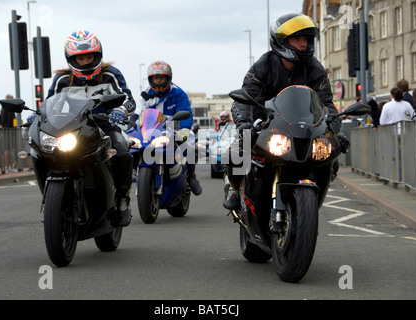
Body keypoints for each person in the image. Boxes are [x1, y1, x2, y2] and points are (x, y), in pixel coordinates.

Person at [223, 13, 341, 210]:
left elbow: (326, 104)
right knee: (235, 152)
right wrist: (245, 123)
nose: (303, 44)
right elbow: (245, 97)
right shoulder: (263, 66)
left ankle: (309, 201)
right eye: (297, 39)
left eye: (305, 39)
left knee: (330, 158)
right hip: (266, 126)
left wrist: (334, 127)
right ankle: (234, 189)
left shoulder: (315, 69)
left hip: (303, 129)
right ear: (281, 41)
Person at [31, 30, 136, 227]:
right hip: (73, 129)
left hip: (105, 126)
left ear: (98, 55)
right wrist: (36, 115)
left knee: (122, 151)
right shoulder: (63, 80)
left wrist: (121, 111)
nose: (86, 62)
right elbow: (49, 104)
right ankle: (54, 199)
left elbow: (128, 99)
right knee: (40, 151)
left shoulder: (110, 75)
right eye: (81, 58)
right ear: (71, 59)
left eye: (90, 56)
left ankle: (122, 200)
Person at [130, 60, 202, 196]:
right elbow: (138, 111)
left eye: (161, 77)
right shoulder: (144, 94)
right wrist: (131, 123)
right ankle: (134, 172)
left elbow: (186, 113)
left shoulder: (178, 93)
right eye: (155, 78)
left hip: (173, 129)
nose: (158, 81)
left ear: (168, 78)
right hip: (150, 131)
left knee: (190, 141)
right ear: (150, 79)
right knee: (132, 145)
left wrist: (184, 129)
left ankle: (192, 176)